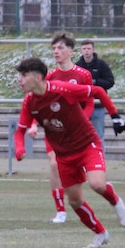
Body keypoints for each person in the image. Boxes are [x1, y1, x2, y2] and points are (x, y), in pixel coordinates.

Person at [13, 57, 125, 248]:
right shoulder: (29, 102)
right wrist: (20, 148)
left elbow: (99, 91)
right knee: (75, 200)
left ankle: (115, 201)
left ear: (38, 77)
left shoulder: (61, 89)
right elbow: (20, 131)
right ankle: (100, 233)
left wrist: (115, 116)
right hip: (64, 155)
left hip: (87, 145)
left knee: (97, 184)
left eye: (24, 75)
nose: (20, 79)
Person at [40, 33, 95, 224]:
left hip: (76, 132)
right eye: (54, 48)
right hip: (55, 130)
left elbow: (89, 103)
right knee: (54, 165)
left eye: (60, 48)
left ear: (71, 51)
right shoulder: (50, 77)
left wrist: (81, 121)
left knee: (75, 171)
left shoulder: (83, 75)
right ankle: (60, 210)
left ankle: (87, 192)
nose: (56, 52)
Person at [74, 39, 116, 150]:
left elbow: (110, 82)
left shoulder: (101, 65)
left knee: (98, 136)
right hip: (81, 107)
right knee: (81, 137)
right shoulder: (77, 66)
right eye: (84, 49)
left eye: (89, 49)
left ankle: (100, 162)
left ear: (93, 50)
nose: (86, 51)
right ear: (81, 51)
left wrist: (95, 82)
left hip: (97, 106)